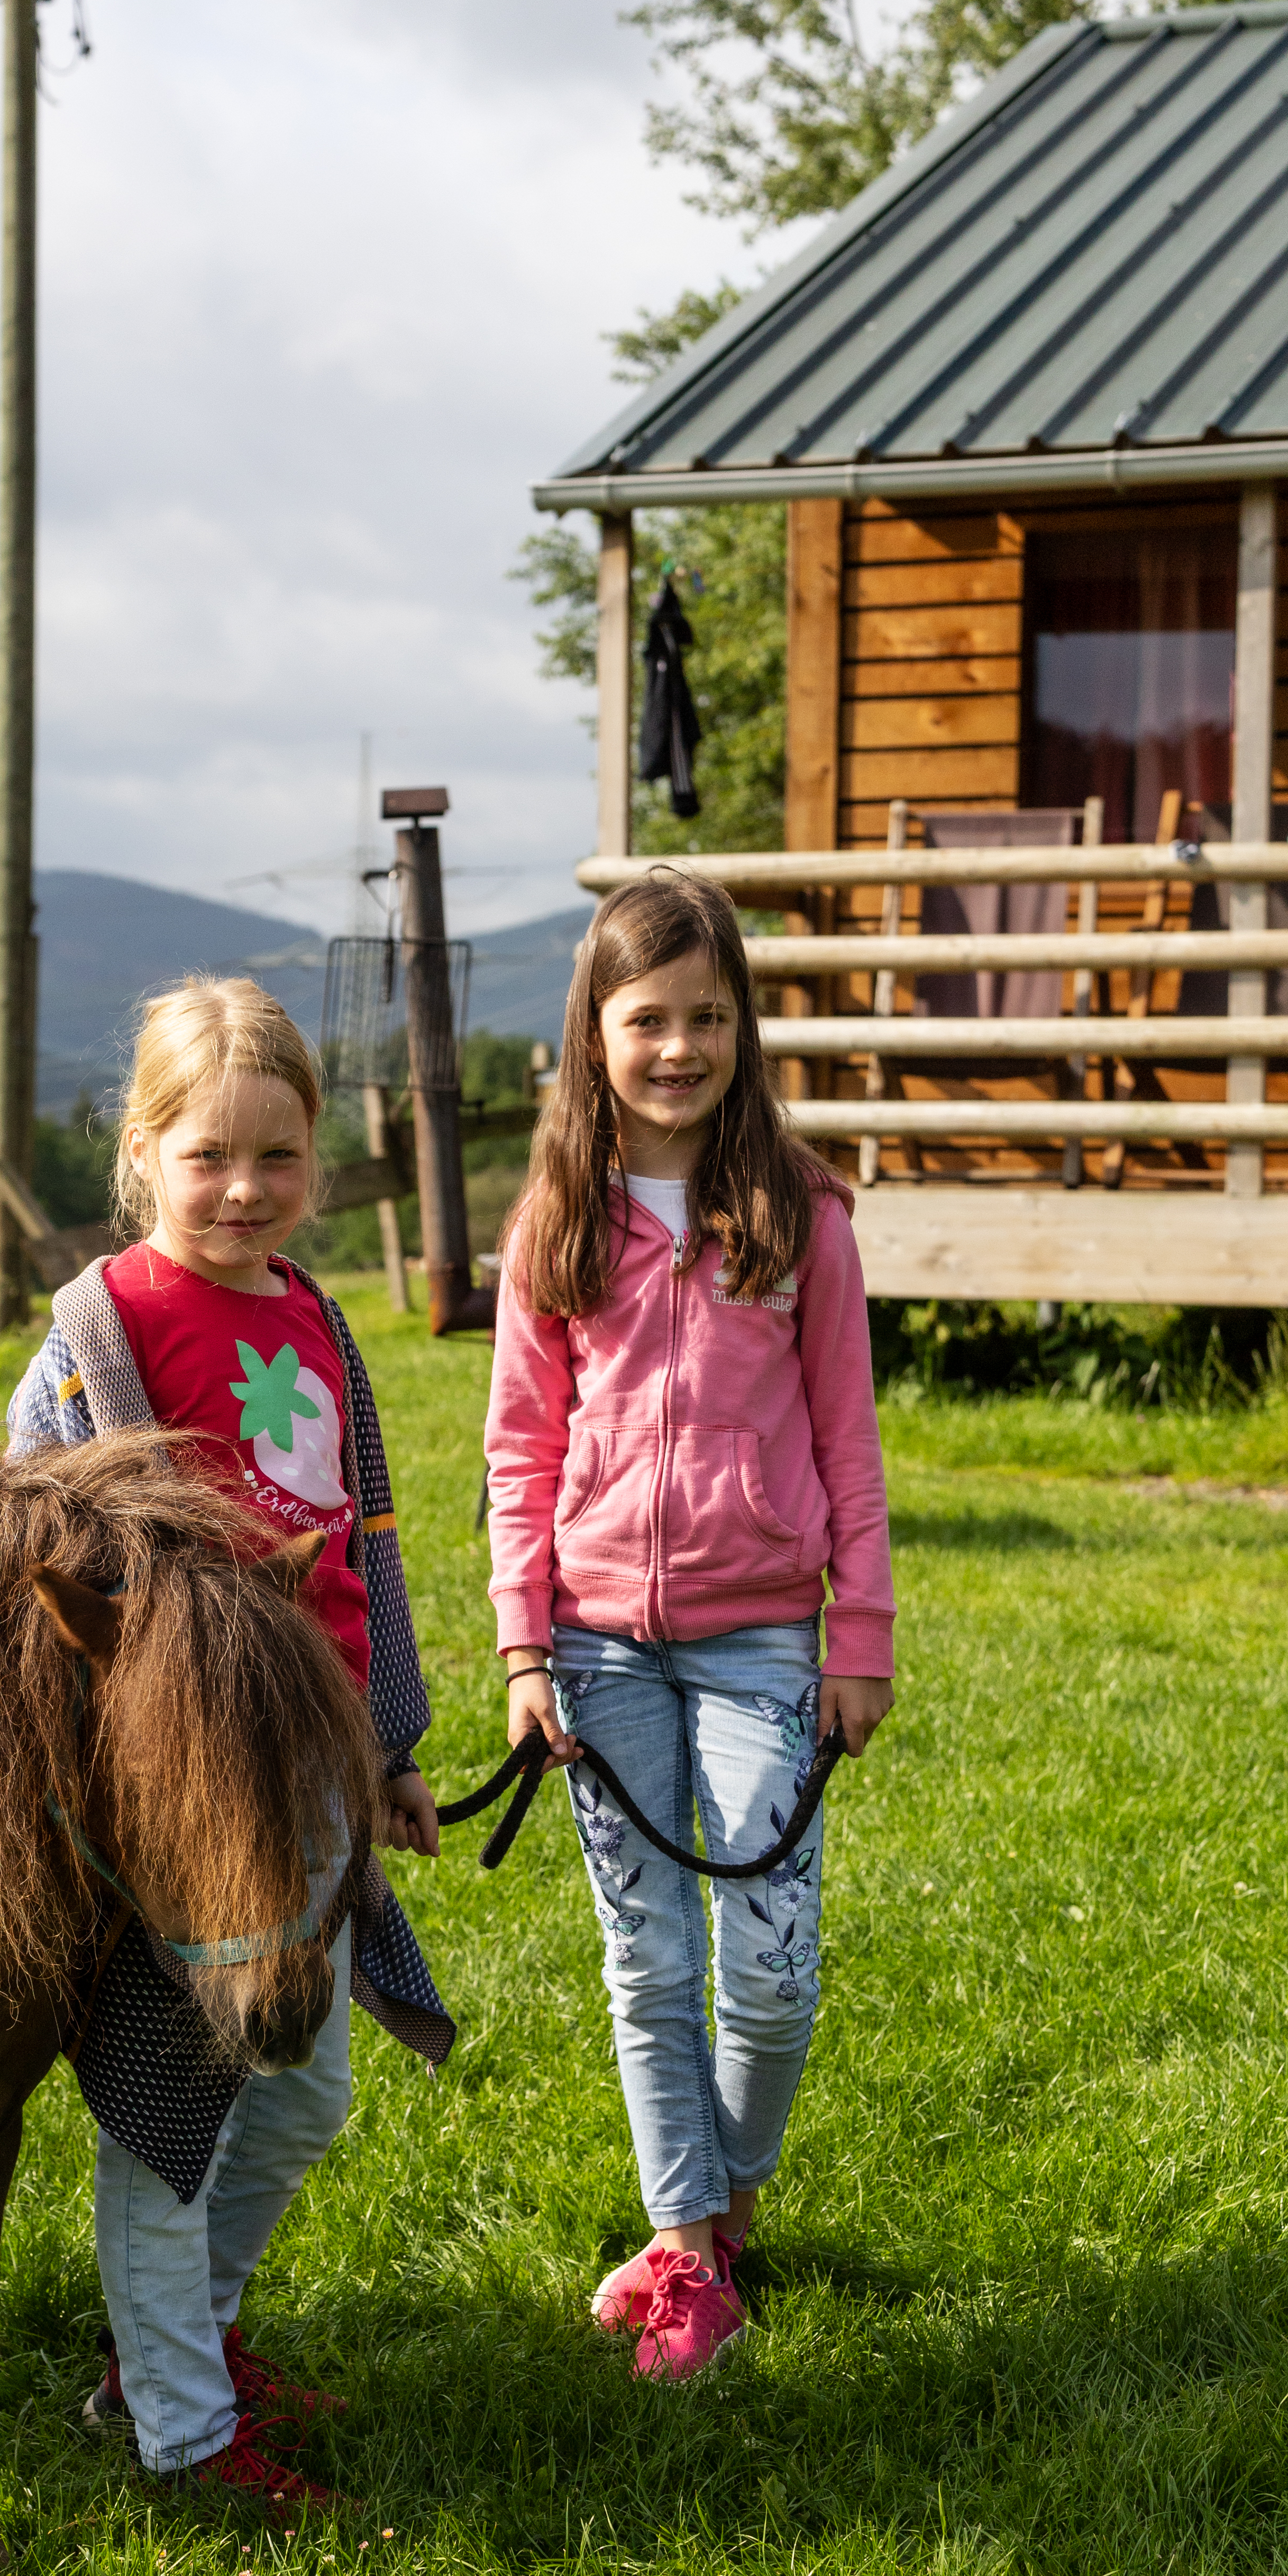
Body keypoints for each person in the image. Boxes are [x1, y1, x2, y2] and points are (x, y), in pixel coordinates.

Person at [7, 973, 447, 2506]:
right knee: (172, 2114)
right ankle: (183, 2436)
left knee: (305, 2090)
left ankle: (182, 2340)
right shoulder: (98, 1332)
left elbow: (363, 1544)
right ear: (143, 1152)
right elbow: (33, 1555)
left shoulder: (317, 1317)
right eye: (209, 1159)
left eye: (280, 1158)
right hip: (183, 1796)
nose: (247, 1191)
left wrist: (390, 1743)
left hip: (314, 1770)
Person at [483, 871, 894, 2382]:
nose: (677, 1047)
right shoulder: (555, 1225)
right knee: (649, 1964)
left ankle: (724, 2205)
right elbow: (519, 1453)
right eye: (646, 1018)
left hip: (763, 1643)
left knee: (773, 1964)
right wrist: (525, 1646)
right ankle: (686, 2248)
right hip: (594, 1645)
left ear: (743, 1029)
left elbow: (848, 1439)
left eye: (707, 1017)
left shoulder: (800, 1212)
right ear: (593, 1032)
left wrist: (863, 1638)